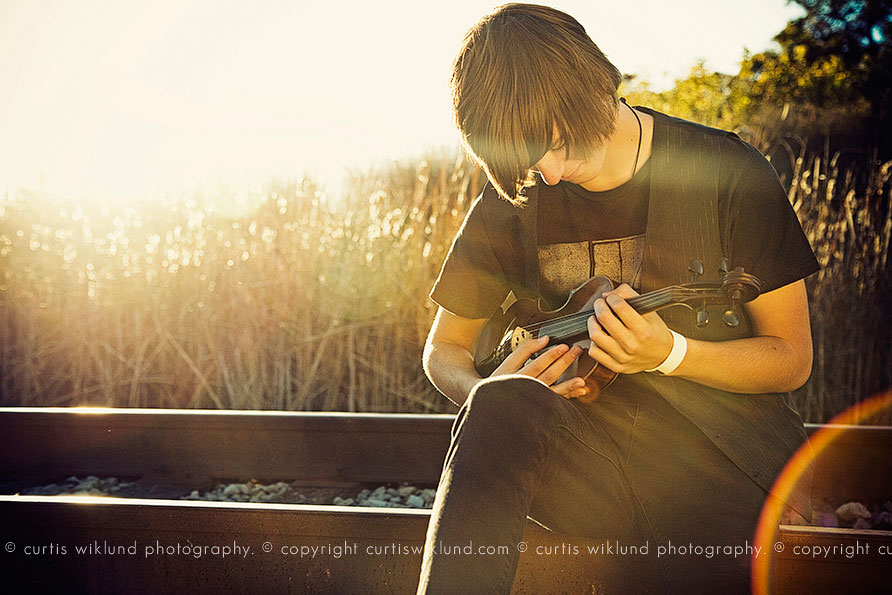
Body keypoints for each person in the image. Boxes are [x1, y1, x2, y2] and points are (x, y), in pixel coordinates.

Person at [416, 4, 820, 594]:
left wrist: (671, 354)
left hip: (724, 465)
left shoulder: (726, 170)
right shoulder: (519, 193)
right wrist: (491, 390)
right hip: (596, 475)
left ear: (590, 87)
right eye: (527, 163)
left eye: (554, 146)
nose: (547, 175)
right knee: (498, 408)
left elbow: (792, 358)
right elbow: (442, 351)